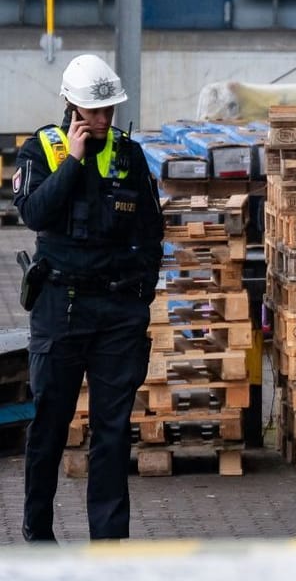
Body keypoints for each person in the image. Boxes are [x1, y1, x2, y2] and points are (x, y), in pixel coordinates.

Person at [13, 54, 162, 542]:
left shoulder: (129, 155)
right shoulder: (42, 151)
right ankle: (38, 534)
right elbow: (34, 213)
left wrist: (142, 296)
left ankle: (109, 544)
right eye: (93, 111)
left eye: (108, 111)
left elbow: (151, 232)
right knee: (49, 428)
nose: (102, 119)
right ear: (70, 105)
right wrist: (73, 161)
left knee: (113, 431)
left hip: (117, 311)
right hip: (61, 307)